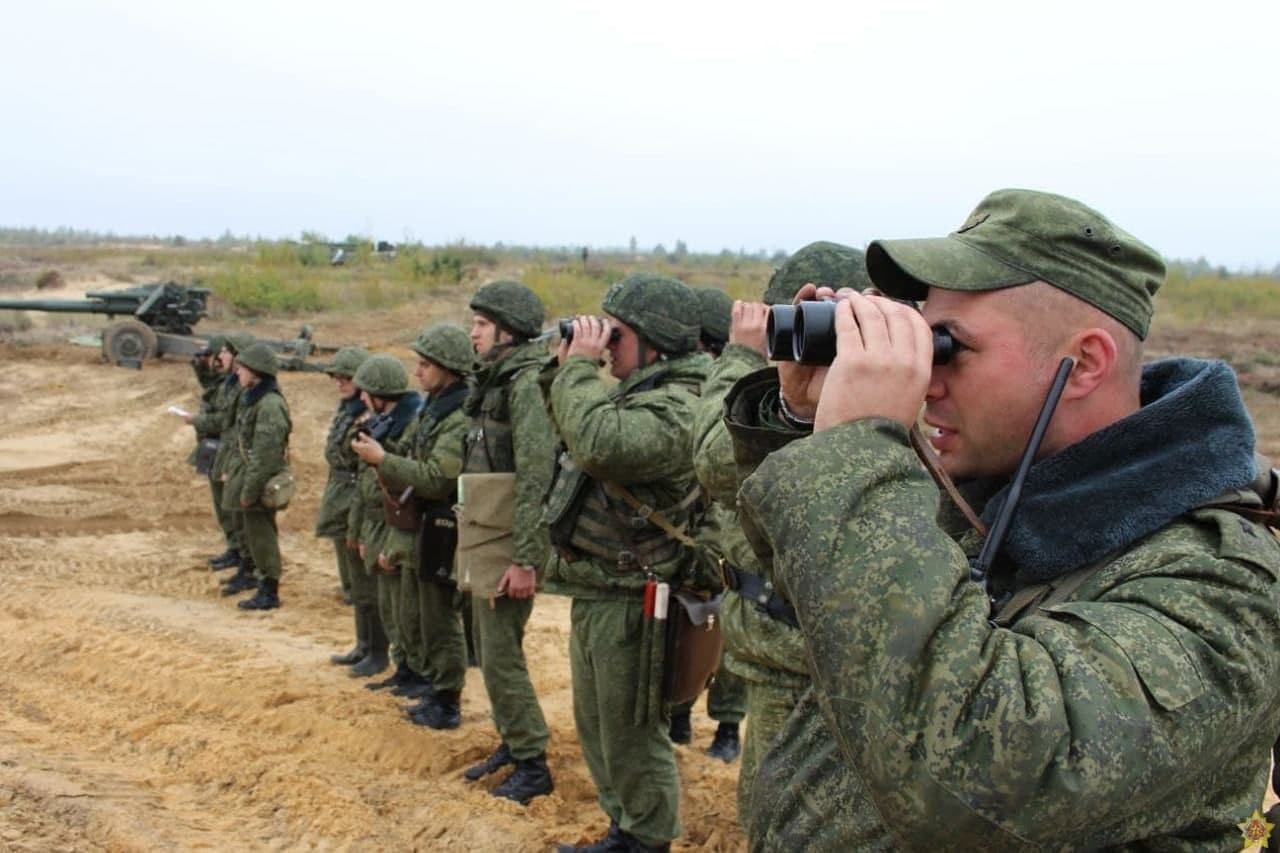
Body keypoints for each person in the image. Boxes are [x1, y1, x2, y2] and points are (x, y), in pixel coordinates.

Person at [730, 188, 1280, 849]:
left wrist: (857, 455)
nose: (927, 378)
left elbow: (974, 775)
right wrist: (806, 422)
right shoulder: (993, 491)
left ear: (1084, 363)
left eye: (949, 347)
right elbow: (820, 612)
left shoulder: (1224, 589)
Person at [687, 244, 870, 816]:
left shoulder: (883, 398)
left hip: (797, 651)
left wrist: (744, 357)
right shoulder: (891, 391)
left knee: (782, 816)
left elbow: (717, 464)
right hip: (803, 644)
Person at [543, 273, 709, 853]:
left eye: (617, 335)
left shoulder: (681, 402)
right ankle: (625, 827)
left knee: (631, 731)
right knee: (598, 726)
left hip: (637, 594)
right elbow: (566, 423)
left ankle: (648, 838)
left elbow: (598, 443)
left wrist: (581, 371)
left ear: (654, 341)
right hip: (599, 585)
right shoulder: (638, 390)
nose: (606, 345)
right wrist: (567, 367)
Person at [460, 280, 557, 805]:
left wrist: (525, 558)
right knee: (490, 648)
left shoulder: (524, 384)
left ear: (507, 331)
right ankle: (513, 741)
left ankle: (532, 761)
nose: (471, 332)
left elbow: (535, 473)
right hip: (488, 529)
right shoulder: (496, 380)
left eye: (480, 324)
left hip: (507, 540)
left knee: (500, 655)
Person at [353, 324, 473, 730]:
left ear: (449, 368)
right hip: (424, 526)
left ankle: (447, 699)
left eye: (425, 364)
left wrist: (382, 460)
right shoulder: (436, 407)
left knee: (439, 620)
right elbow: (417, 458)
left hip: (442, 526)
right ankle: (432, 687)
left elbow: (439, 477)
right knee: (419, 614)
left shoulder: (457, 416)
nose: (416, 372)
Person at [666, 285, 747, 762]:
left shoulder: (732, 381)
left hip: (722, 524)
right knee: (686, 624)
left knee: (728, 626)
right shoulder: (682, 382)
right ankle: (680, 712)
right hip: (685, 522)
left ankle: (728, 726)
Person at [346, 355, 423, 682]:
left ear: (381, 393)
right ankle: (401, 665)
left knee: (404, 608)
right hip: (376, 520)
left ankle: (412, 669)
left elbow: (406, 487)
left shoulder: (407, 426)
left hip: (397, 522)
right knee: (388, 604)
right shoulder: (380, 422)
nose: (360, 398)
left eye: (366, 392)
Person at [224, 343, 292, 611]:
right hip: (250, 476)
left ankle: (269, 590)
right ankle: (259, 579)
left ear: (257, 372)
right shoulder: (254, 398)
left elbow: (265, 456)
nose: (238, 373)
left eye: (243, 369)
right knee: (253, 534)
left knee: (262, 536)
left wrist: (249, 491)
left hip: (259, 481)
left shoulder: (270, 405)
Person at [316, 346, 372, 663]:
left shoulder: (366, 417)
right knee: (351, 581)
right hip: (341, 496)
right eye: (336, 378)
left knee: (364, 583)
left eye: (346, 378)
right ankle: (363, 645)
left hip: (356, 498)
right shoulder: (347, 411)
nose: (339, 383)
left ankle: (372, 648)